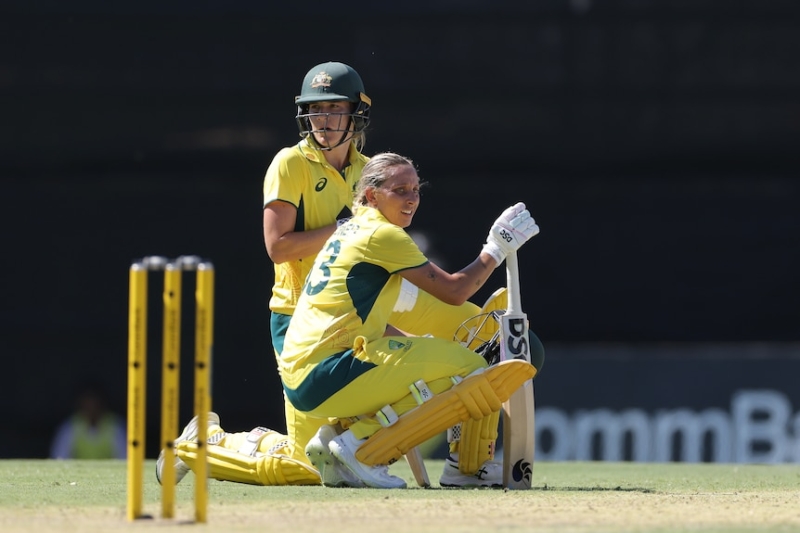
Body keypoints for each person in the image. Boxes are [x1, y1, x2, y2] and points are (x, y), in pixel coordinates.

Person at [158, 62, 543, 488]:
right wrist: (344, 229)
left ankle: (467, 463)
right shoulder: (290, 163)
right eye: (316, 110)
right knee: (310, 466)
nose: (323, 120)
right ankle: (207, 446)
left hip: (373, 298)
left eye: (334, 109)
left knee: (488, 343)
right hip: (303, 314)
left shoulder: (369, 169)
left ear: (356, 115)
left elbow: (406, 256)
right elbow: (277, 246)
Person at [281, 152, 540, 488]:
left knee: (445, 364)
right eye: (400, 190)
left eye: (416, 190)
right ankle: (359, 445)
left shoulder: (352, 229)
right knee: (475, 367)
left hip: (310, 374)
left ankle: (339, 437)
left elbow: (362, 318)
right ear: (372, 195)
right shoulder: (382, 235)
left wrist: (414, 346)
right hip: (329, 371)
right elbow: (455, 291)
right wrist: (495, 248)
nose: (411, 199)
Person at [50, 380, 126, 459]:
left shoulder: (116, 427)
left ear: (102, 404)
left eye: (94, 405)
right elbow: (59, 458)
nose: (91, 410)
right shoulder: (70, 427)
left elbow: (125, 458)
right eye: (87, 405)